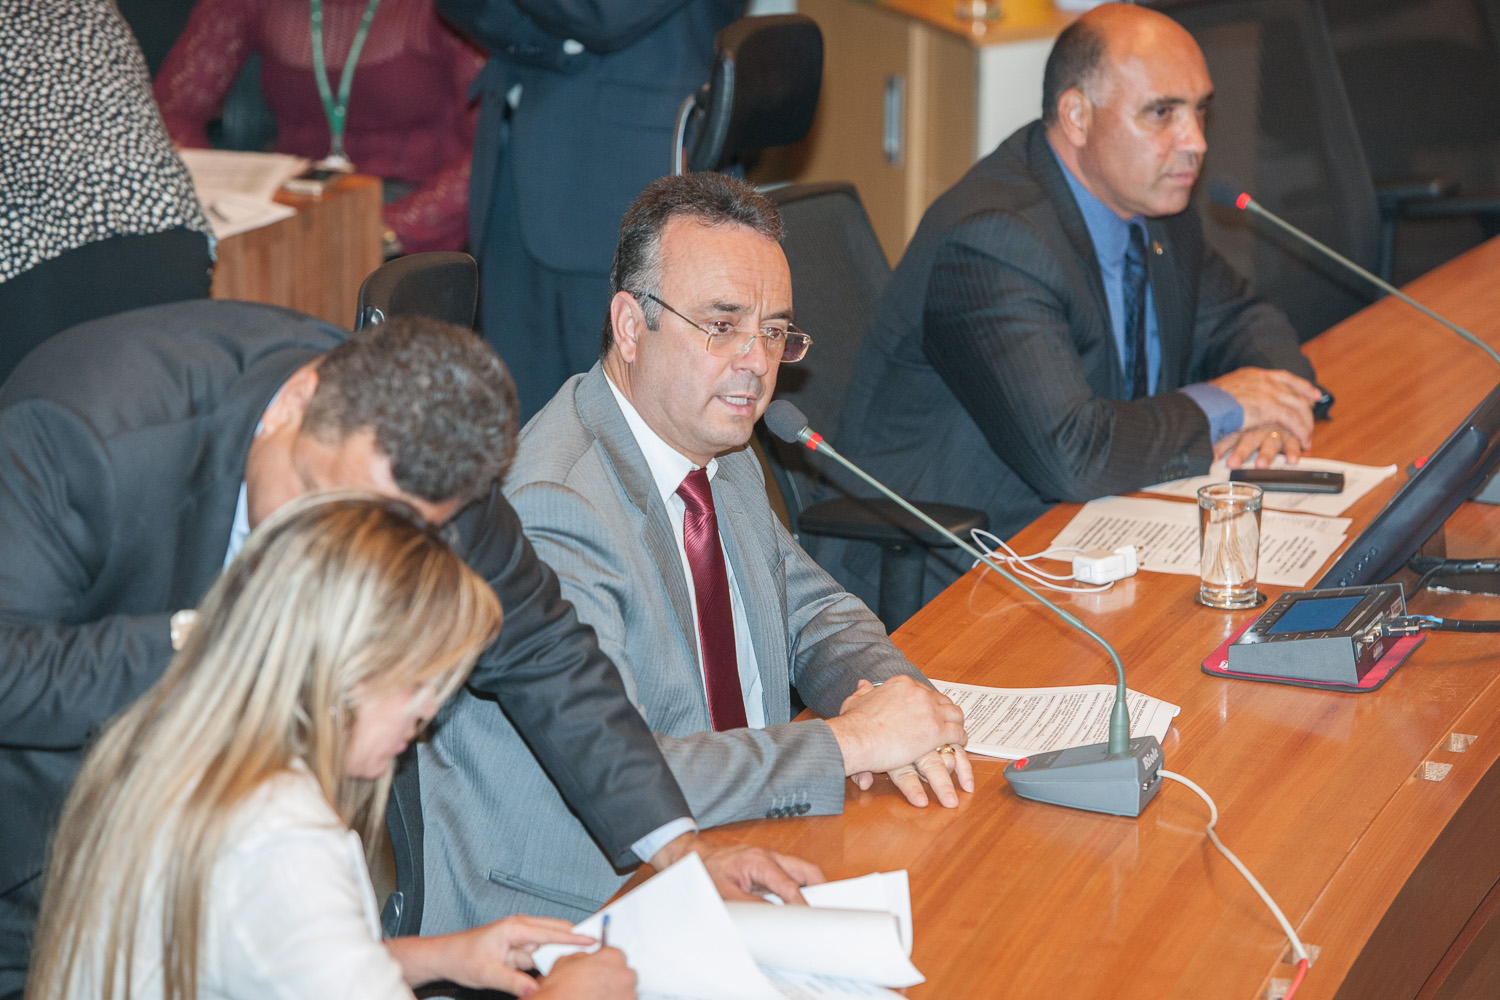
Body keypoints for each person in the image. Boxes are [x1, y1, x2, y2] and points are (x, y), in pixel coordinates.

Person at [0, 305, 816, 999]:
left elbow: (545, 653)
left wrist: (679, 855)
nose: (350, 559)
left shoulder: (430, 462)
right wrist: (225, 633)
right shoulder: (78, 434)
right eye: (324, 503)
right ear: (298, 404)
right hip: (41, 824)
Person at [415, 172, 974, 933]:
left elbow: (814, 613)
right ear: (630, 325)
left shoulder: (714, 440)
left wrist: (890, 699)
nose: (756, 362)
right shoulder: (553, 506)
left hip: (742, 840)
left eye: (773, 331)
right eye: (721, 324)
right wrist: (850, 741)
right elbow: (632, 769)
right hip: (586, 907)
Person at [25, 493, 634, 1000]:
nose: (428, 714)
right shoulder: (281, 837)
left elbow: (282, 962)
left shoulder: (190, 753)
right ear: (350, 665)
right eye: (420, 680)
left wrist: (442, 956)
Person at [821, 2, 1323, 605]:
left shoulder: (1157, 207)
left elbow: (1242, 318)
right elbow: (1074, 454)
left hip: (1090, 532)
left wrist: (1273, 406)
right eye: (1162, 113)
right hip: (957, 570)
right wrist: (1230, 402)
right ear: (1078, 116)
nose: (1194, 142)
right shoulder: (994, 241)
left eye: (1200, 111)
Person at [435, 0, 744, 419]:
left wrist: (559, 37)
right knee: (518, 416)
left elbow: (602, 12)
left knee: (619, 425)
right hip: (513, 151)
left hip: (617, 175)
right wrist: (552, 45)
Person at [154, 0, 483, 255]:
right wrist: (209, 205)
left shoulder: (444, 9)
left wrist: (391, 229)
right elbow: (170, 114)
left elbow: (489, 148)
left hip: (411, 207)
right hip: (291, 205)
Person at [0, 0, 212, 386]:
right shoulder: (87, 7)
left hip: (40, 260)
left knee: (42, 416)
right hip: (165, 234)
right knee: (163, 406)